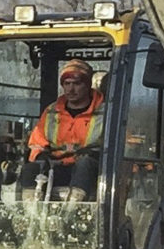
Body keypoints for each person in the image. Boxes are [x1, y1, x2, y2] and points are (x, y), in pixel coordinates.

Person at [19, 58, 105, 200]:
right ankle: (27, 213)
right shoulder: (52, 112)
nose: (71, 89)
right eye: (67, 84)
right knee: (29, 169)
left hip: (93, 171)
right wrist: (41, 155)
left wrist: (96, 154)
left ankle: (76, 210)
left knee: (85, 164)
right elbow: (36, 143)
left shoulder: (105, 112)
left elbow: (118, 147)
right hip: (56, 166)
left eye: (77, 84)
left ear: (88, 85)